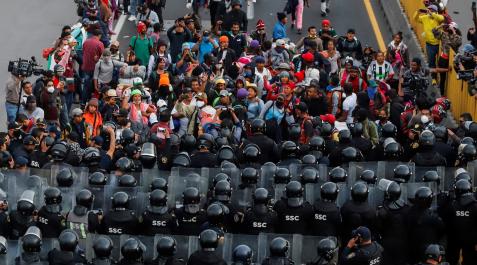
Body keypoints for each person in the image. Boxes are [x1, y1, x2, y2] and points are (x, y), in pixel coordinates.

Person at [414, 5, 445, 70]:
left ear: (435, 11)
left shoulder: (438, 18)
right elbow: (415, 19)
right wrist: (418, 12)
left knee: (440, 63)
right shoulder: (425, 17)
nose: (429, 11)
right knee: (431, 62)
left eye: (431, 10)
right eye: (428, 10)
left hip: (439, 44)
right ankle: (433, 78)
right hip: (429, 45)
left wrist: (432, 14)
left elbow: (442, 18)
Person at [82, 29, 104, 104]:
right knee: (96, 87)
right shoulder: (100, 44)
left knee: (86, 85)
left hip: (86, 67)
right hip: (95, 68)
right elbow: (103, 57)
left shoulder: (86, 42)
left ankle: (83, 102)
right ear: (99, 35)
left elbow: (83, 52)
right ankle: (94, 102)